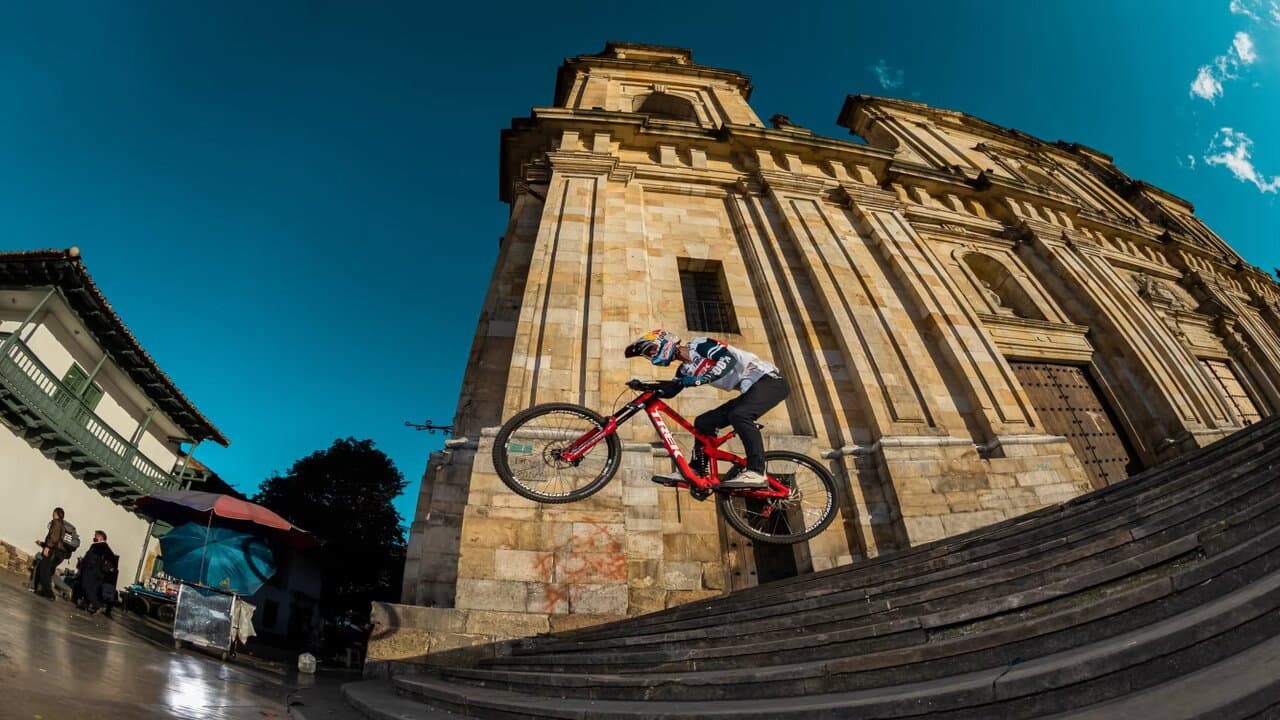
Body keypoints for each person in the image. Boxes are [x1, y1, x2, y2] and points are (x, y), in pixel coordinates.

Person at [624, 329, 789, 488]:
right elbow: (670, 391)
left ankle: (757, 471)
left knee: (739, 415)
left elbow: (727, 359)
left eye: (651, 350)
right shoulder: (684, 370)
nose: (652, 355)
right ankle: (697, 470)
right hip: (750, 390)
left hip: (769, 381)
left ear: (664, 341)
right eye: (649, 355)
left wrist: (700, 380)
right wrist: (645, 386)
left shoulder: (699, 345)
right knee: (704, 422)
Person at [76, 530, 118, 615]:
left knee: (86, 586)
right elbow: (113, 560)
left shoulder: (97, 546)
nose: (94, 537)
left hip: (91, 571)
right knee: (92, 589)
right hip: (99, 573)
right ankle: (85, 604)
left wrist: (83, 563)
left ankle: (97, 606)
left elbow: (90, 558)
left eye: (95, 536)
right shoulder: (107, 548)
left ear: (100, 537)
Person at [33, 507, 70, 599]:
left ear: (56, 513)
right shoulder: (62, 525)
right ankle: (45, 592)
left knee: (43, 572)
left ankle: (50, 594)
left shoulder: (56, 522)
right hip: (57, 553)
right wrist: (43, 544)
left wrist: (47, 547)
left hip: (52, 552)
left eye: (54, 512)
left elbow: (53, 537)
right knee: (45, 572)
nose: (52, 514)